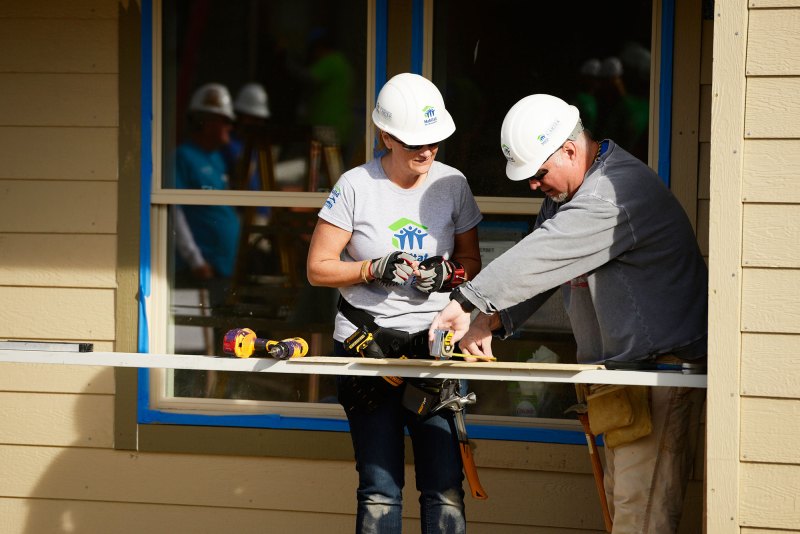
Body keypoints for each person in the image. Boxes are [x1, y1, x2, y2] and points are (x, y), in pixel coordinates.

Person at [429, 94, 707, 533]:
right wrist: (490, 320)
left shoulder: (612, 193)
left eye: (539, 173)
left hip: (658, 376)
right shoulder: (569, 194)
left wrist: (468, 301)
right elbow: (546, 268)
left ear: (571, 151)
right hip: (623, 375)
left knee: (640, 516)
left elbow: (544, 253)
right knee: (624, 506)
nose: (533, 186)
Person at [307, 72, 483, 534]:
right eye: (413, 143)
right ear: (385, 136)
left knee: (445, 488)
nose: (426, 152)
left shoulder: (453, 183)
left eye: (434, 141)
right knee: (380, 491)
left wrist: (448, 274)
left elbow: (472, 263)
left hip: (435, 347)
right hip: (369, 347)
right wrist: (372, 268)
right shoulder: (355, 185)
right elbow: (318, 268)